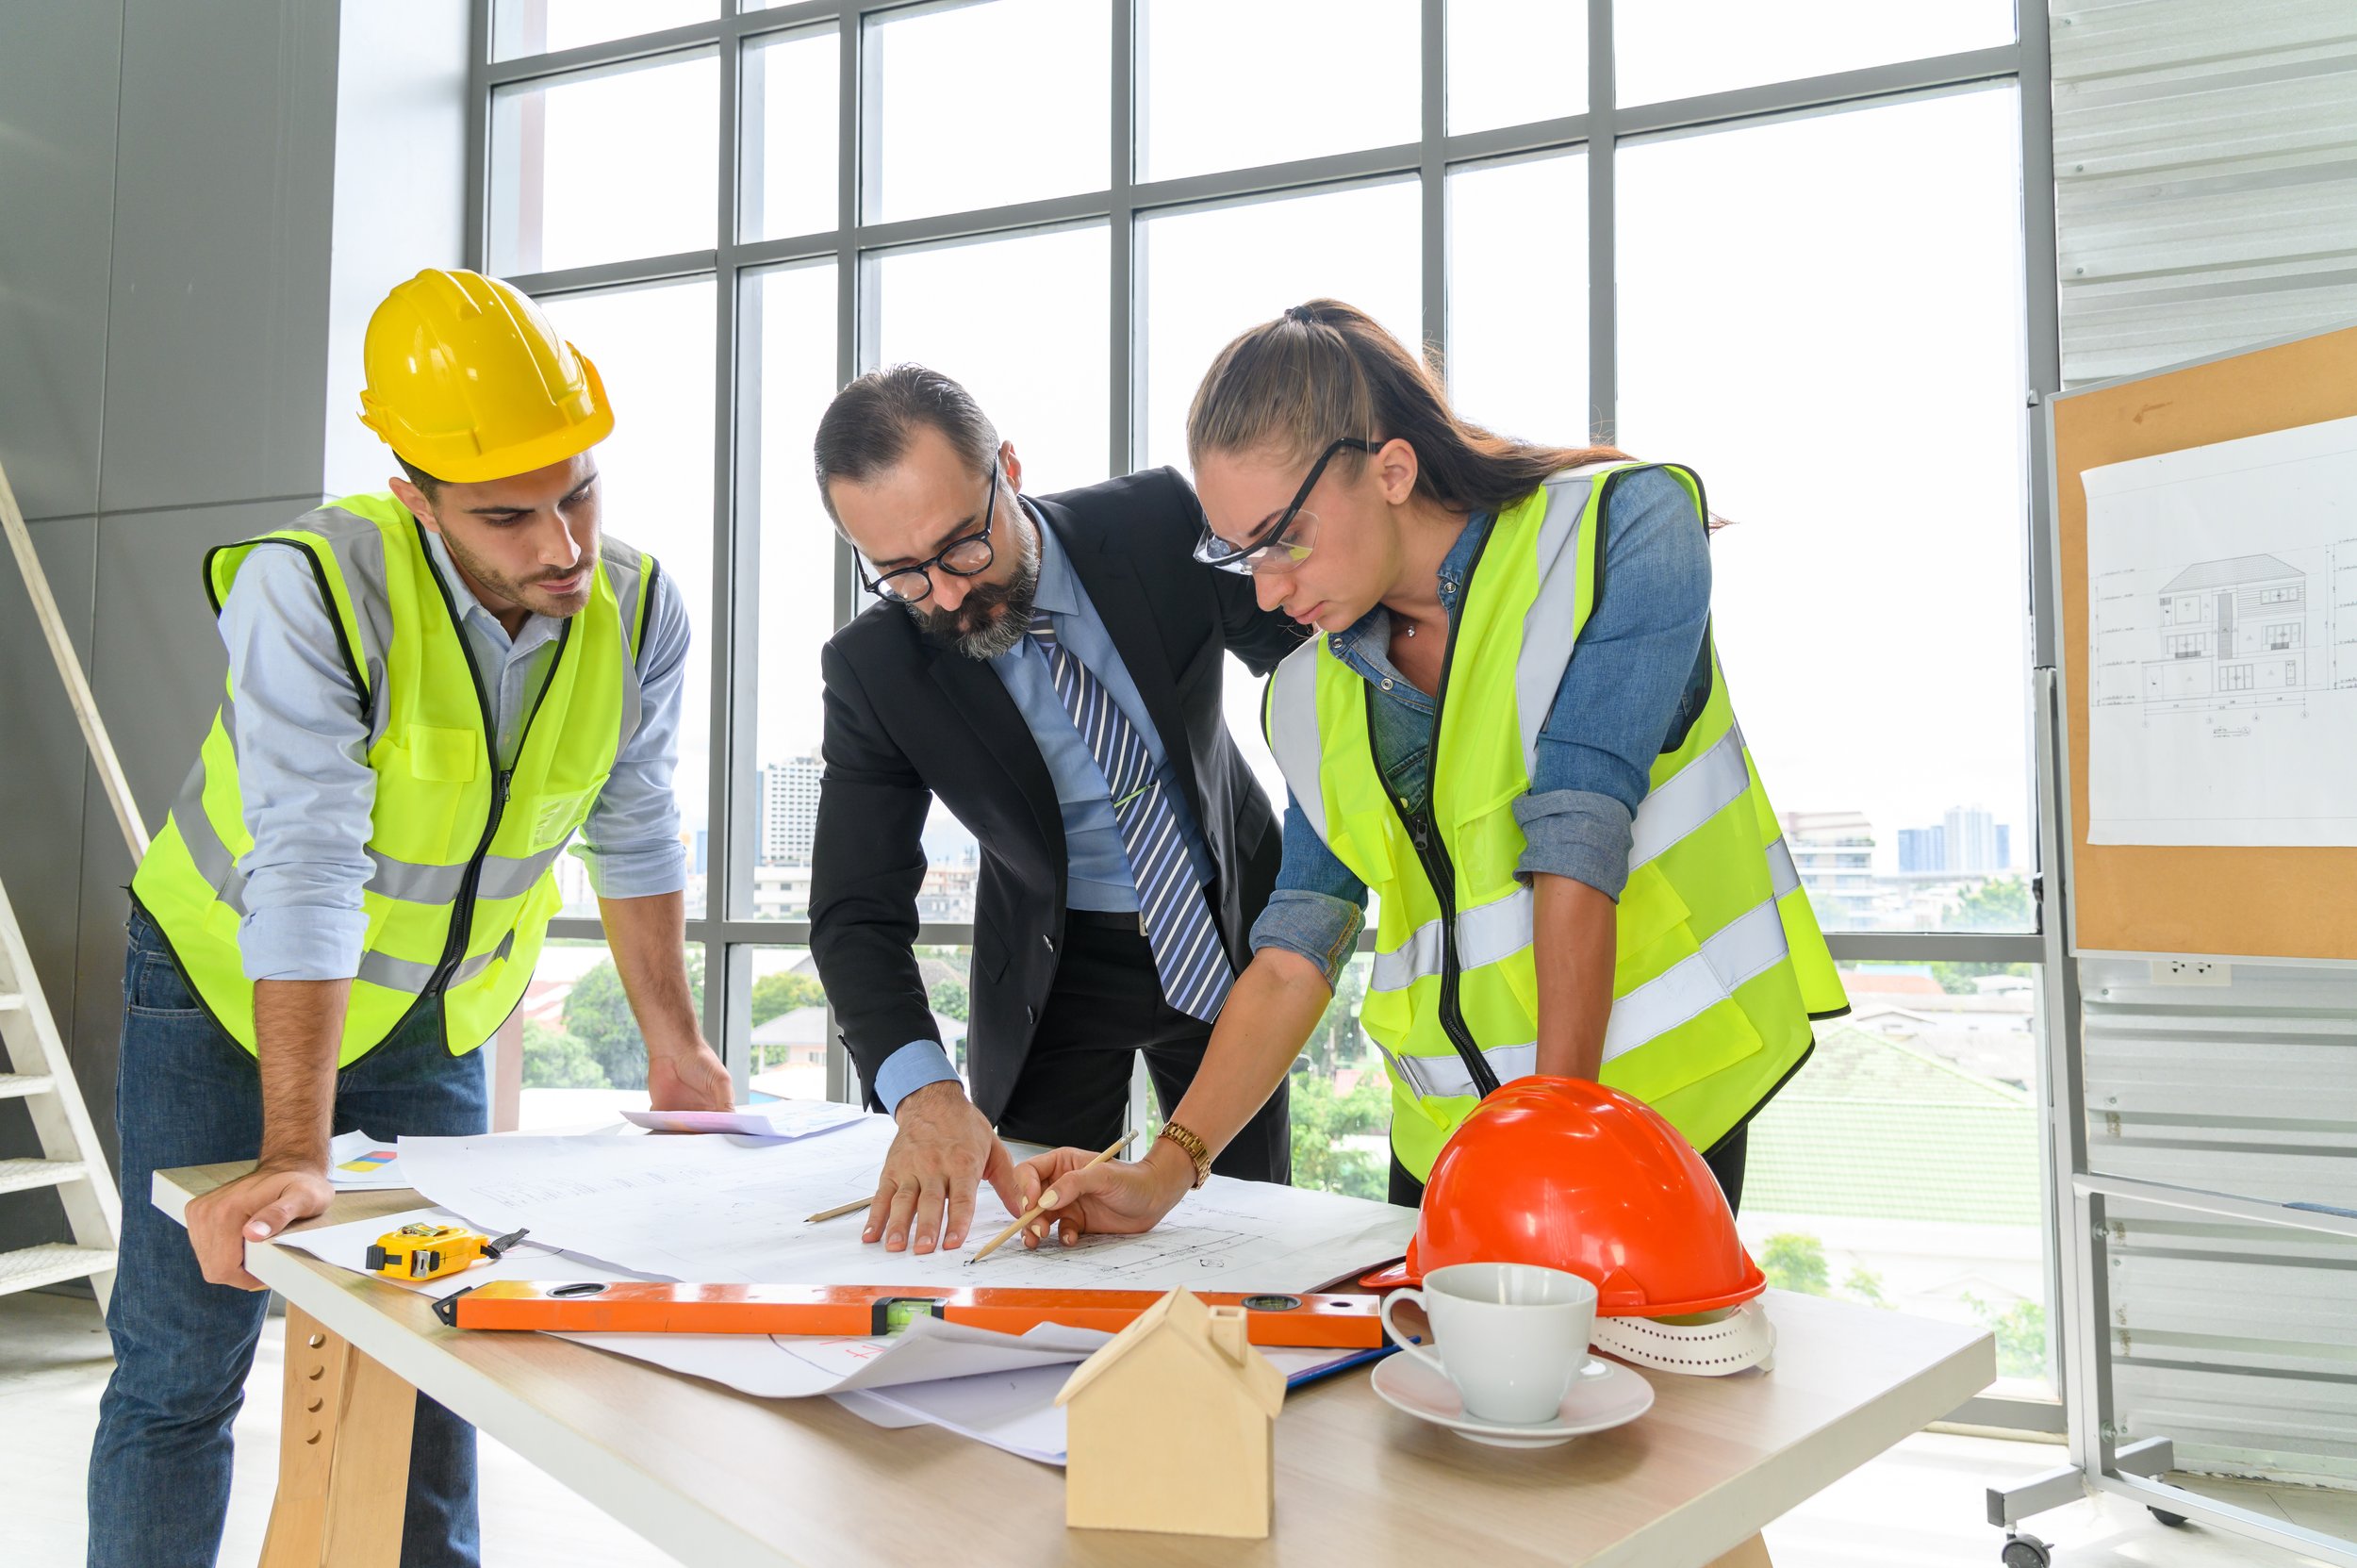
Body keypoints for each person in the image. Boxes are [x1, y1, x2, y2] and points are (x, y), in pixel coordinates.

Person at [89, 268, 731, 1568]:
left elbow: (635, 818)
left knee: (439, 1360)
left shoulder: (640, 603)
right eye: (508, 516)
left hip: (433, 1020)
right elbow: (309, 859)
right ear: (415, 498)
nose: (560, 545)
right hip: (225, 992)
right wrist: (292, 1142)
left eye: (580, 491)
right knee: (180, 1361)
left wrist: (678, 1042)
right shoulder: (314, 585)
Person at [1011, 299, 1848, 1242]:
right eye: (1238, 553)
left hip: (1642, 1108)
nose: (1267, 590)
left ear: (1393, 470)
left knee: (1630, 1388)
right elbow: (1294, 951)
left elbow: (1578, 830)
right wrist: (1165, 1169)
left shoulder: (1621, 528)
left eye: (1283, 539)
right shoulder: (1307, 692)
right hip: (1449, 1136)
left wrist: (1555, 1144)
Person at [808, 365, 1309, 1257]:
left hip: (1224, 918)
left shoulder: (1158, 523)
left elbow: (1312, 649)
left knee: (1247, 1224)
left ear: (1008, 466)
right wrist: (925, 1094)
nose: (950, 595)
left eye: (962, 546)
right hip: (1054, 964)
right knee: (1044, 1233)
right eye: (903, 575)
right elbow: (855, 911)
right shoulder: (873, 671)